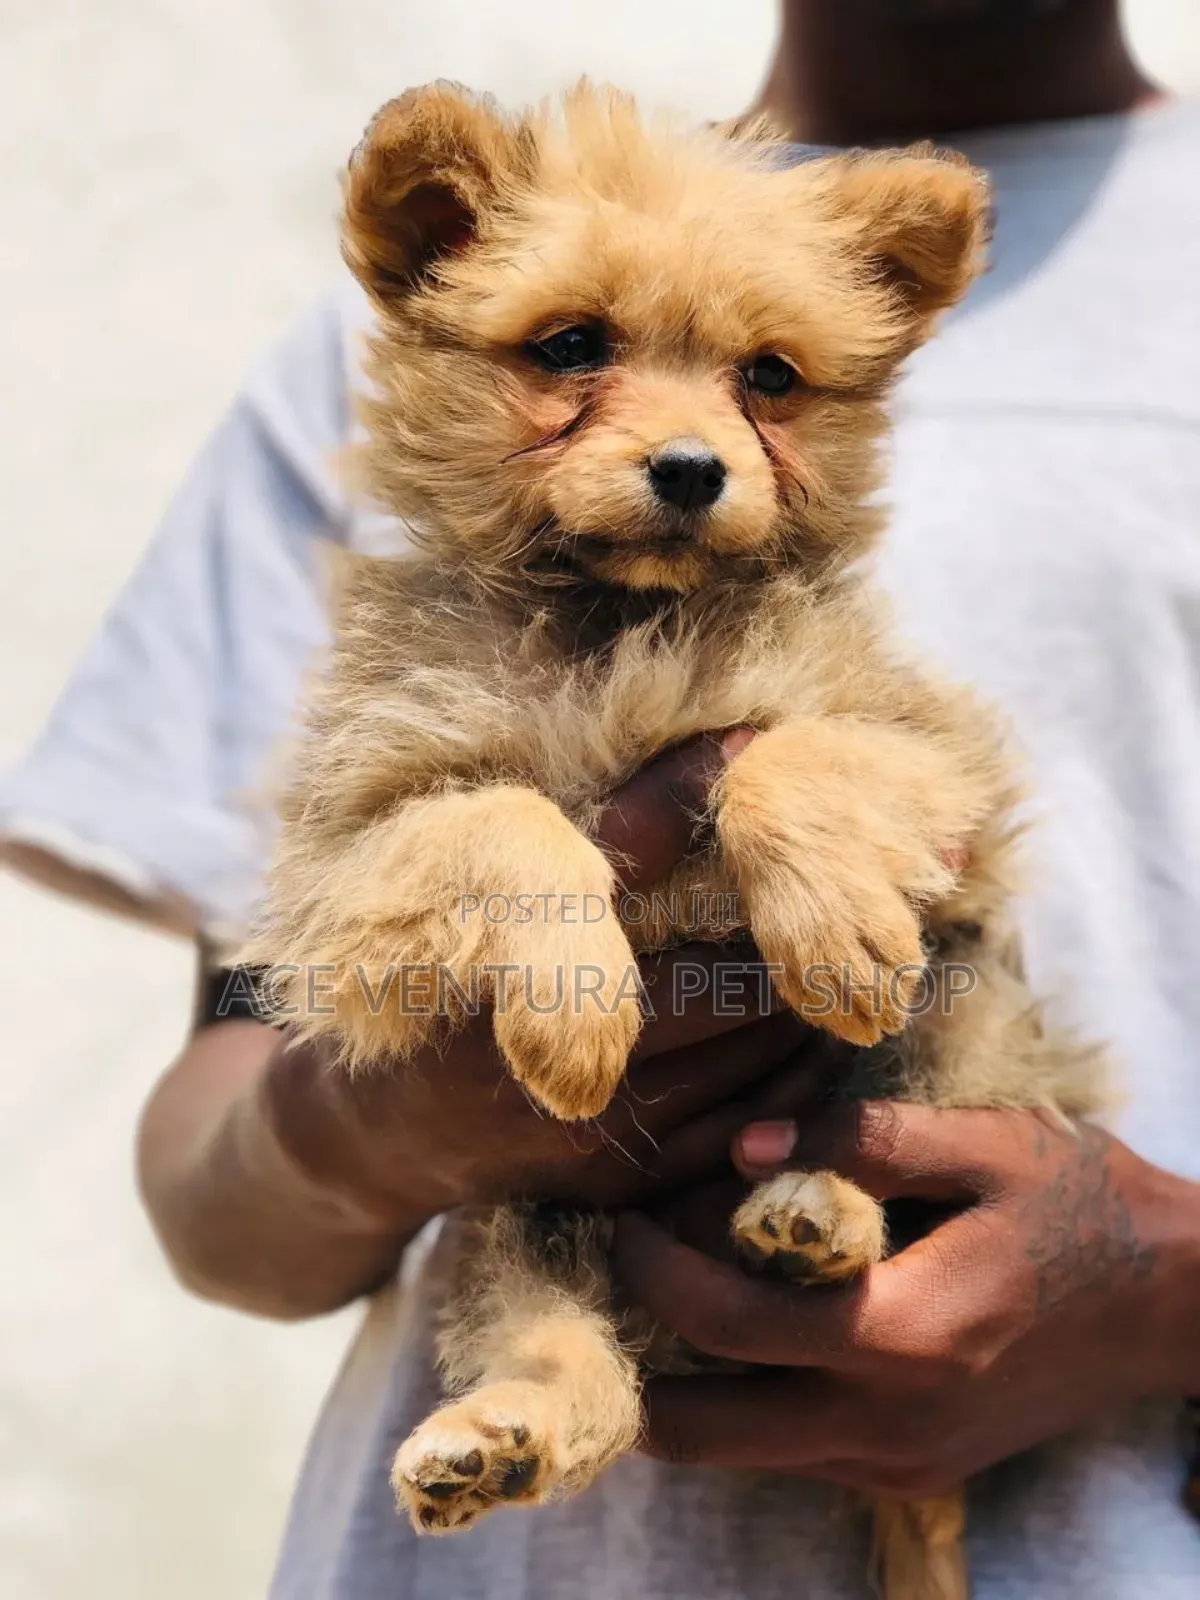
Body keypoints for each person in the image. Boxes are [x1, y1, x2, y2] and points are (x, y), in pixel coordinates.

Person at [3, 0, 1200, 1594]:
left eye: (772, 380)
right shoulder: (358, 380)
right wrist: (377, 1127)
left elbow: (932, 811)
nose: (692, 440)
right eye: (572, 354)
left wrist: (1170, 1295)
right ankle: (556, 1383)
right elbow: (224, 1171)